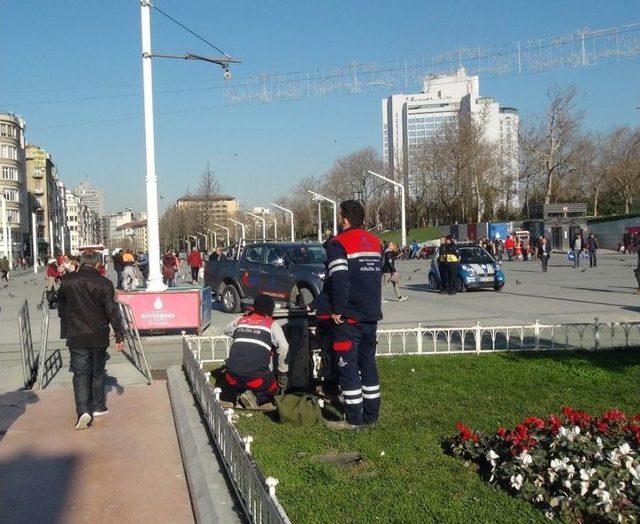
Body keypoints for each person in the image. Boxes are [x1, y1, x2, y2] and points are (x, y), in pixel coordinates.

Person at [324, 200, 383, 430]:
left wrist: (337, 310)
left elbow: (339, 280)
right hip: (371, 315)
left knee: (347, 367)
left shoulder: (338, 243)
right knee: (368, 364)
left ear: (344, 218)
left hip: (348, 317)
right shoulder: (375, 242)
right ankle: (371, 415)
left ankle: (353, 419)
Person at [56, 250, 125, 430]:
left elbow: (61, 307)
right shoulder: (105, 283)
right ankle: (98, 406)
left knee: (80, 373)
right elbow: (112, 311)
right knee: (97, 372)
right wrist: (119, 334)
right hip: (98, 334)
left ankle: (83, 410)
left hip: (76, 334)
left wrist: (69, 319)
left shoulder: (67, 281)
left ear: (81, 262)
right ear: (97, 265)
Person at [223, 294, 289, 409]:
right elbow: (284, 346)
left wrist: (244, 320)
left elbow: (226, 330)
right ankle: (256, 398)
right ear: (270, 309)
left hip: (232, 377)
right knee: (272, 384)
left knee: (237, 376)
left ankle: (236, 395)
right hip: (256, 380)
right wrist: (282, 371)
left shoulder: (241, 320)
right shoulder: (271, 325)